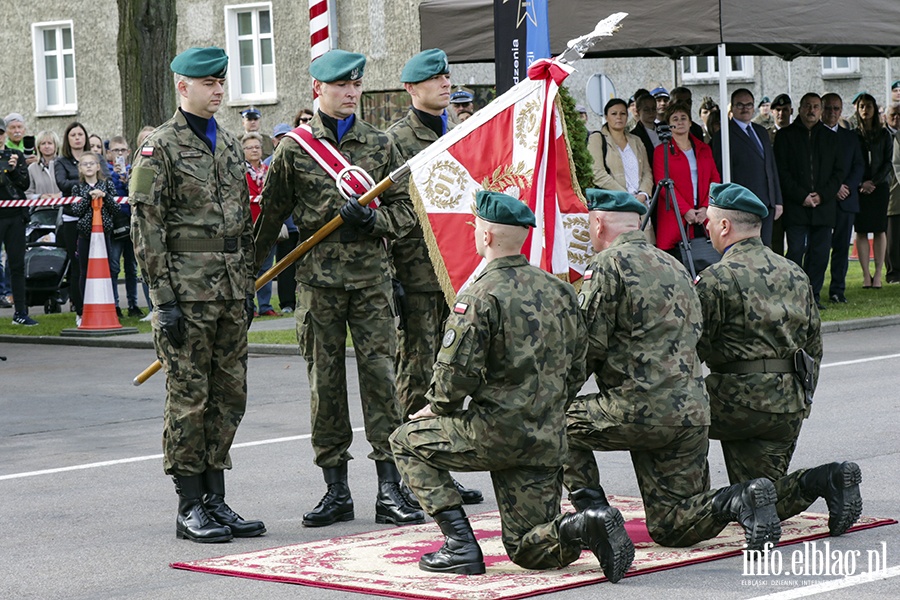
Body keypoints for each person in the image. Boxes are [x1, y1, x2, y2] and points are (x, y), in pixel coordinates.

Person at [391, 190, 634, 580]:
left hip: (496, 432)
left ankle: (459, 546)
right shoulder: (560, 291)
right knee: (528, 547)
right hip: (546, 435)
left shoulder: (479, 295)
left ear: (485, 236)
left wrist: (437, 407)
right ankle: (583, 524)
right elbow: (577, 364)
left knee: (405, 440)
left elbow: (456, 376)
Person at [251, 49, 420, 528]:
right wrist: (246, 278)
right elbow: (269, 220)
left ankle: (391, 488)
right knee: (325, 386)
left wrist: (373, 219)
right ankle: (336, 490)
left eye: (356, 85)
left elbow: (407, 214)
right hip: (318, 283)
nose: (350, 93)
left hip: (370, 280)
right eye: (341, 86)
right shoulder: (295, 149)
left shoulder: (380, 145)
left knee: (382, 383)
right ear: (317, 90)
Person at [564, 188, 781, 553]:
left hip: (637, 411)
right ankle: (740, 498)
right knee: (674, 526)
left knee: (558, 423)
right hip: (691, 413)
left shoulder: (607, 265)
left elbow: (586, 349)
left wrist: (554, 396)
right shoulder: (674, 265)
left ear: (598, 223)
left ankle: (595, 518)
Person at [129, 46, 265, 543]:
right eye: (208, 83)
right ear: (182, 87)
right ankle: (189, 505)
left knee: (229, 397)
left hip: (229, 292)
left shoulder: (229, 144)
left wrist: (247, 287)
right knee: (190, 399)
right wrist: (163, 300)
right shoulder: (159, 148)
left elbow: (242, 226)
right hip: (186, 294)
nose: (218, 91)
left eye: (221, 83)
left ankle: (216, 498)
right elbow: (146, 226)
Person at [696, 182, 862, 536]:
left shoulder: (716, 278)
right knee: (762, 495)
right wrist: (801, 395)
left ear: (724, 226)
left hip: (732, 402)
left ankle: (685, 506)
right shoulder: (795, 272)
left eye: (709, 221)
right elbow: (813, 345)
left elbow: (694, 346)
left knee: (665, 418)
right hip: (787, 404)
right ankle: (826, 478)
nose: (706, 227)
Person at [386, 48, 483, 506]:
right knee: (418, 371)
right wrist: (395, 279)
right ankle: (412, 470)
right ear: (411, 89)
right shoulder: (396, 141)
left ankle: (441, 465)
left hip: (461, 272)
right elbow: (392, 214)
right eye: (434, 78)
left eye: (447, 76)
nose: (445, 84)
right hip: (419, 273)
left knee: (454, 373)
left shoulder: (461, 133)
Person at [774, 92, 844, 308]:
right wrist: (801, 196)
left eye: (816, 107)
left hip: (824, 207)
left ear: (821, 110)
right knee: (795, 251)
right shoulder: (786, 136)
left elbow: (838, 172)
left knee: (820, 254)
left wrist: (822, 195)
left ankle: (812, 296)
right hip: (797, 206)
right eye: (807, 106)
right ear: (800, 108)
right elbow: (781, 172)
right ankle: (795, 296)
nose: (811, 110)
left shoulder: (832, 138)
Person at [711, 88, 783, 247]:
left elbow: (771, 167)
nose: (745, 109)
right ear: (732, 108)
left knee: (765, 249)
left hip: (767, 203)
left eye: (749, 105)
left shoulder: (761, 131)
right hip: (743, 205)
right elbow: (721, 171)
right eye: (740, 105)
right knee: (747, 249)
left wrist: (777, 200)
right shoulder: (724, 135)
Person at [652, 101, 721, 257]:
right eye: (674, 119)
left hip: (703, 215)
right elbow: (663, 186)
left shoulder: (704, 148)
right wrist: (686, 210)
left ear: (690, 122)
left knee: (706, 261)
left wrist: (706, 207)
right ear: (669, 125)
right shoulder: (661, 151)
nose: (680, 122)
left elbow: (715, 179)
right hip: (675, 217)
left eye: (683, 118)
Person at [821, 93, 864, 304]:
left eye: (836, 108)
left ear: (841, 110)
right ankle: (814, 289)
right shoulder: (815, 135)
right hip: (823, 200)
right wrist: (833, 188)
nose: (832, 112)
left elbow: (859, 165)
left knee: (841, 248)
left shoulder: (850, 136)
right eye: (827, 108)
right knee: (818, 248)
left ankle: (837, 290)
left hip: (846, 200)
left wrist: (846, 186)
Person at [69, 152, 119, 323]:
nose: (89, 166)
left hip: (104, 235)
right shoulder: (77, 188)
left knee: (109, 269)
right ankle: (82, 311)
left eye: (92, 163)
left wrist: (105, 197)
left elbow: (115, 209)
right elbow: (76, 211)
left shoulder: (108, 185)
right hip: (85, 235)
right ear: (80, 169)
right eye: (85, 164)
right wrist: (87, 198)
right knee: (84, 271)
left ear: (98, 166)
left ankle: (111, 306)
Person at [853, 93, 893, 289]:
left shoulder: (884, 135)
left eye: (868, 106)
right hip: (859, 187)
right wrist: (861, 183)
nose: (865, 110)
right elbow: (850, 162)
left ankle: (878, 273)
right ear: (857, 110)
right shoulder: (854, 135)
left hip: (879, 187)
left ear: (874, 109)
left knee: (879, 229)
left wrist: (874, 182)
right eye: (861, 106)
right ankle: (865, 275)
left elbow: (888, 162)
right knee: (860, 230)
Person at [0, 119, 38, 325]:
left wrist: (14, 169)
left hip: (14, 216)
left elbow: (24, 184)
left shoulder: (15, 156)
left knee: (16, 265)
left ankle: (21, 312)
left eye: (0, 133)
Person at [55, 122, 93, 319]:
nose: (77, 138)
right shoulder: (61, 162)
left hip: (94, 218)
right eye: (73, 135)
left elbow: (104, 179)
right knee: (78, 264)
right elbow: (62, 183)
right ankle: (80, 310)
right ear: (67, 139)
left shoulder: (95, 158)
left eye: (80, 134)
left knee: (97, 264)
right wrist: (86, 179)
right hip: (72, 219)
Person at [588, 98, 653, 207]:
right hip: (613, 204)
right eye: (614, 113)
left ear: (627, 116)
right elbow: (597, 173)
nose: (619, 117)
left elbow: (647, 171)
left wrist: (643, 193)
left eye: (623, 113)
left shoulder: (636, 141)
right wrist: (625, 196)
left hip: (640, 205)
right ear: (606, 117)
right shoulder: (597, 138)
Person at [105, 135, 144, 318]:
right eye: (115, 150)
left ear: (128, 152)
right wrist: (115, 176)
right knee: (113, 265)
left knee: (131, 266)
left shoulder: (133, 170)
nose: (119, 153)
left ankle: (133, 304)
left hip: (131, 224)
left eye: (122, 150)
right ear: (109, 153)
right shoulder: (106, 173)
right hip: (115, 224)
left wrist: (127, 180)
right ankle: (115, 304)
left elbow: (137, 193)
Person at [242, 131, 276, 317]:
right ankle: (250, 305)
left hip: (267, 224)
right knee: (248, 266)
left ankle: (265, 305)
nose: (255, 150)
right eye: (250, 147)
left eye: (257, 147)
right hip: (247, 225)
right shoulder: (239, 171)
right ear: (243, 151)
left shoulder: (269, 169)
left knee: (267, 266)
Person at [268, 123, 299, 314]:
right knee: (278, 267)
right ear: (274, 140)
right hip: (278, 225)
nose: (282, 140)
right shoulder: (268, 163)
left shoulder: (299, 159)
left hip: (296, 225)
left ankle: (294, 302)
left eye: (286, 136)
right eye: (279, 137)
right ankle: (281, 303)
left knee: (295, 266)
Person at [25, 130, 63, 200]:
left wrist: (60, 195)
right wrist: (40, 197)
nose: (46, 146)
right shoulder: (32, 168)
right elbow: (28, 194)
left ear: (56, 145)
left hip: (62, 208)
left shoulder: (64, 165)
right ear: (38, 147)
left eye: (50, 143)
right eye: (43, 143)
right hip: (40, 209)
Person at [630, 93, 661, 164]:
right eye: (646, 110)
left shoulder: (664, 129)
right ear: (638, 112)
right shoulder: (633, 136)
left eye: (653, 109)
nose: (651, 112)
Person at [887, 117, 900, 284]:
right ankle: (894, 273)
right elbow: (897, 164)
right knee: (894, 235)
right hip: (897, 194)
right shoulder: (898, 138)